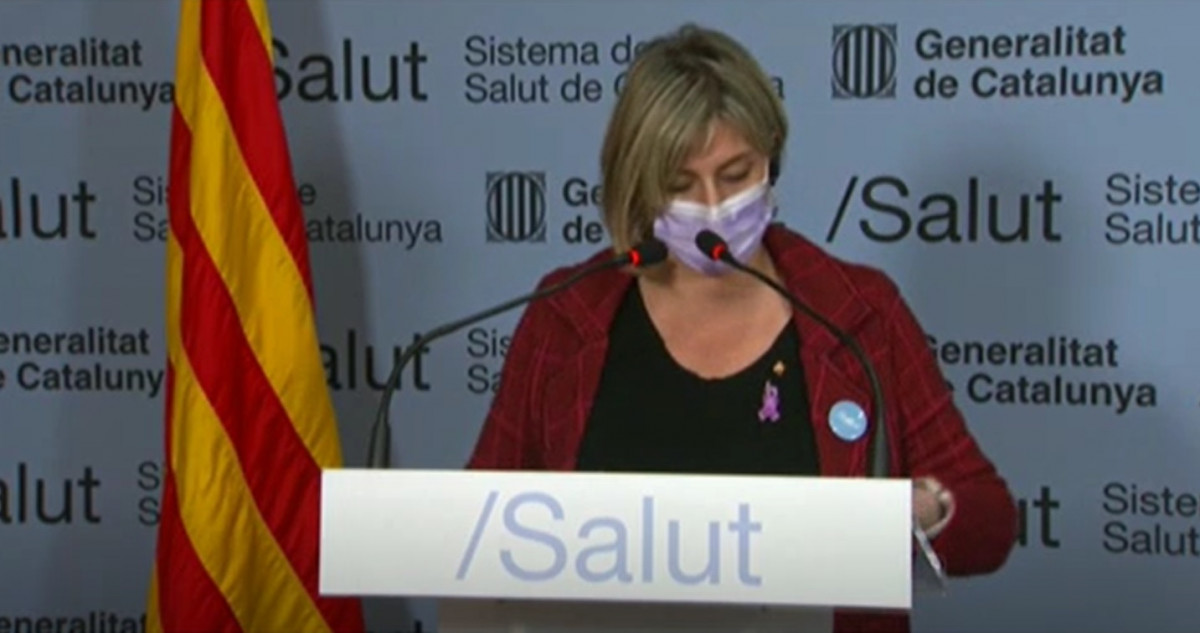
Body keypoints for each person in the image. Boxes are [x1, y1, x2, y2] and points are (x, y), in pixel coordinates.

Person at [468, 23, 1017, 633]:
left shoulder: (857, 312)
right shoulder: (568, 315)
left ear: (770, 159)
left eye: (734, 175)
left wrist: (930, 510)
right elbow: (478, 524)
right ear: (639, 187)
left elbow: (990, 520)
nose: (712, 206)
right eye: (679, 185)